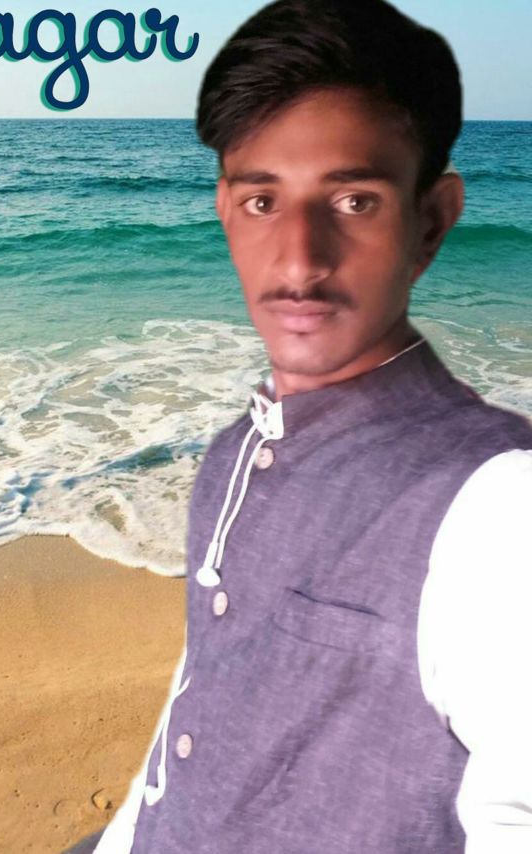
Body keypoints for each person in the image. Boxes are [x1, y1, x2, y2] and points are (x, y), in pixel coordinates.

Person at [76, 1, 532, 851]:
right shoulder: (231, 453)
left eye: (354, 200)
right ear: (224, 210)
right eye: (262, 201)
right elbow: (199, 692)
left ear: (431, 220)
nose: (298, 261)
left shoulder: (499, 504)